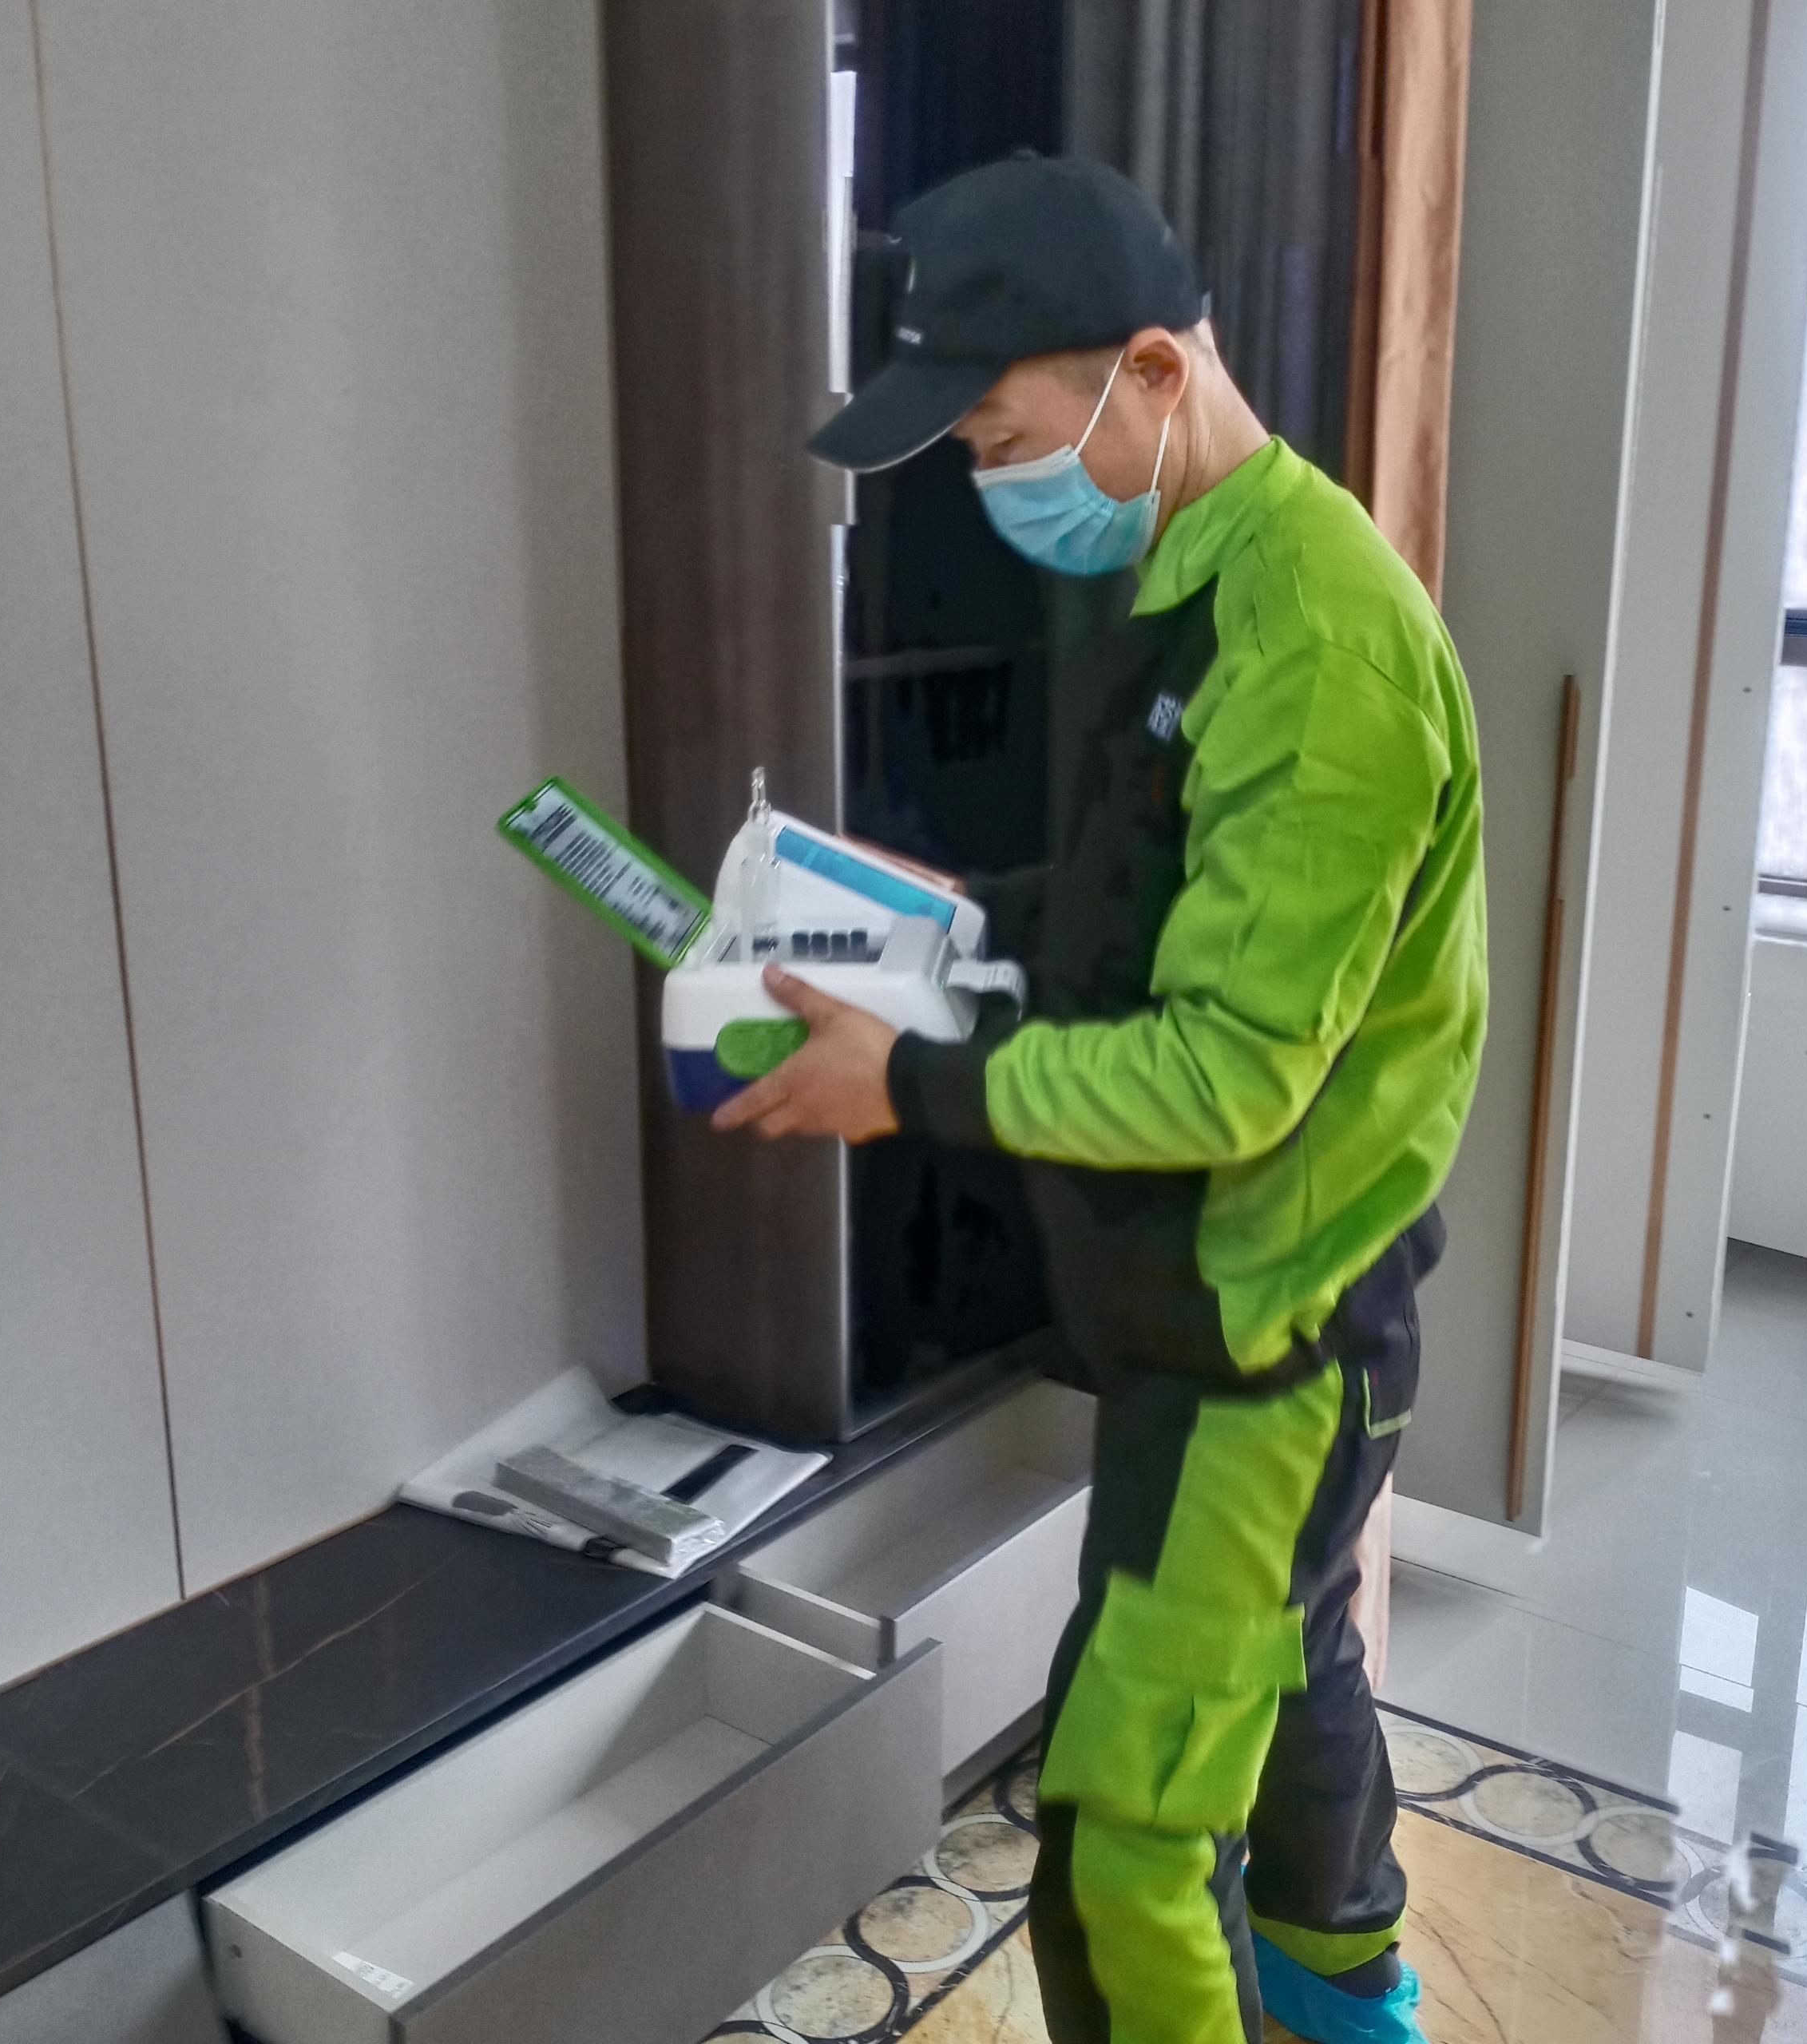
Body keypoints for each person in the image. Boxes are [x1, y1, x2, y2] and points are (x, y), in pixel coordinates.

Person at [714, 154, 1487, 2044]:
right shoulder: (1203, 566)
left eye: (1000, 438)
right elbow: (1156, 896)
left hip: (1263, 1332)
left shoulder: (1313, 642)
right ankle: (1347, 2000)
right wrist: (954, 920)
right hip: (1228, 1300)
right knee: (1284, 1670)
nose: (995, 484)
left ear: (1149, 369)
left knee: (1125, 1840)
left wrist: (907, 1078)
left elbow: (1224, 1072)